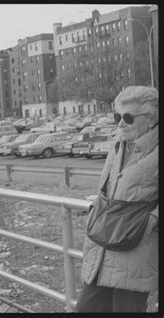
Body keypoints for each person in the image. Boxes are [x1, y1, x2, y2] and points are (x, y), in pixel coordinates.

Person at [76, 86, 158, 312]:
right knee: (86, 308)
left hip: (135, 251)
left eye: (128, 118)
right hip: (102, 245)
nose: (120, 123)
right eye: (117, 117)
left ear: (150, 119)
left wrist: (152, 219)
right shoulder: (119, 145)